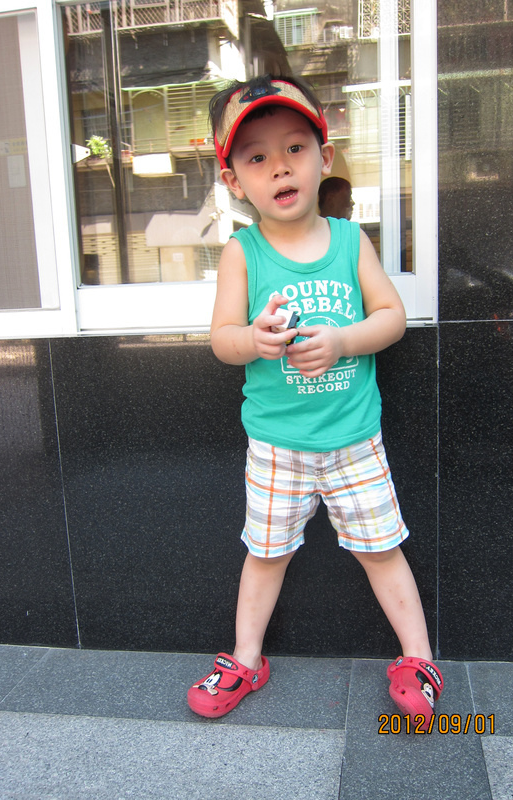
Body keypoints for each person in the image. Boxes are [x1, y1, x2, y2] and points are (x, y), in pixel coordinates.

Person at [187, 74, 443, 729]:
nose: (280, 166)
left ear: (324, 158)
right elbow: (221, 340)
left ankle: (419, 660)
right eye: (257, 157)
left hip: (353, 437)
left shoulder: (351, 241)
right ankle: (247, 659)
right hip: (277, 443)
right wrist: (255, 339)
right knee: (265, 551)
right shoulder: (242, 253)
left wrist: (343, 341)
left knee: (381, 547)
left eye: (295, 148)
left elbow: (391, 316)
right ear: (234, 182)